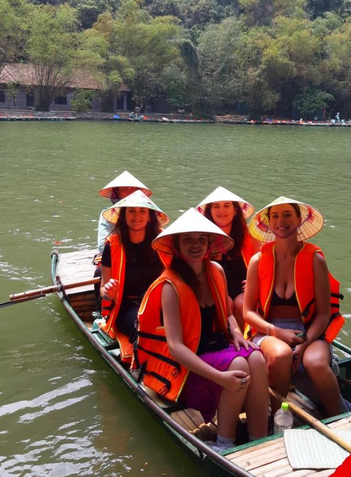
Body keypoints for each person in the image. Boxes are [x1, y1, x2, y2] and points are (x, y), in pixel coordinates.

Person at [137, 209, 268, 450]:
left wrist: (237, 332)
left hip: (218, 348)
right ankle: (224, 443)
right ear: (176, 245)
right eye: (188, 239)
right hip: (187, 368)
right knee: (239, 366)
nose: (195, 245)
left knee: (258, 358)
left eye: (201, 239)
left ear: (209, 244)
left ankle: (258, 439)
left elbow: (227, 314)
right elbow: (176, 348)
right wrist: (221, 378)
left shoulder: (216, 271)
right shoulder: (170, 285)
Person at [244, 197, 348, 418]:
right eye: (275, 216)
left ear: (299, 220)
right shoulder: (257, 260)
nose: (281, 221)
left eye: (287, 215)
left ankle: (338, 418)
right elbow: (248, 313)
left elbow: (322, 314)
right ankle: (276, 419)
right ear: (269, 223)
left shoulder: (315, 259)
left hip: (308, 331)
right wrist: (277, 332)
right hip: (268, 330)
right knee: (281, 355)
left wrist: (305, 342)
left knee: (316, 363)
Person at [99, 190, 169, 364]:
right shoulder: (112, 245)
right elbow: (104, 290)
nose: (137, 216)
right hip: (127, 306)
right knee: (144, 325)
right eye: (131, 211)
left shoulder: (161, 241)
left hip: (159, 301)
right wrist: (108, 292)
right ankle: (148, 366)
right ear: (123, 216)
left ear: (149, 217)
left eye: (142, 211)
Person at [197, 187, 260, 331]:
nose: (221, 211)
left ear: (235, 210)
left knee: (241, 302)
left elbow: (264, 260)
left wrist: (255, 281)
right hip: (212, 287)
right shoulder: (201, 236)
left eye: (227, 205)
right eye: (216, 206)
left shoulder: (247, 235)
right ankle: (227, 341)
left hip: (243, 288)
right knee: (228, 303)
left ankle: (245, 342)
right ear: (210, 212)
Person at [96, 171, 152, 254]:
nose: (129, 193)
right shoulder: (109, 214)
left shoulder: (148, 211)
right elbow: (102, 246)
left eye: (133, 189)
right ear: (117, 193)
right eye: (124, 189)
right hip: (119, 255)